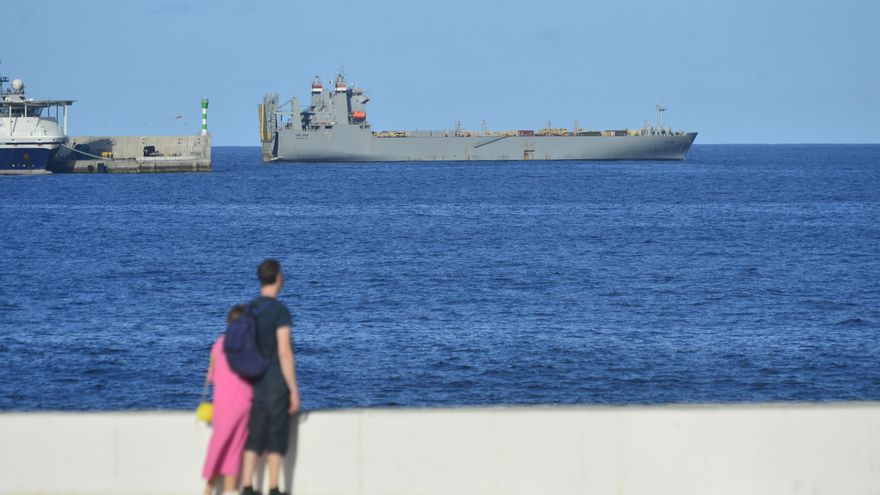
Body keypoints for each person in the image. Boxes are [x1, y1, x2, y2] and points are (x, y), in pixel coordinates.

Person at [240, 259, 301, 495]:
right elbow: (284, 352)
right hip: (275, 381)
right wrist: (294, 389)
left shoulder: (249, 309)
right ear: (278, 278)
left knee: (254, 434)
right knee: (276, 434)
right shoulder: (279, 311)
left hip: (252, 381)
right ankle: (274, 487)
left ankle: (247, 486)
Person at [202, 305, 252, 495]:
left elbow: (212, 377)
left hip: (222, 403)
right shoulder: (249, 346)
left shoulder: (219, 344)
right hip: (243, 403)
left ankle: (209, 486)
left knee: (219, 444)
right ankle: (229, 489)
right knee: (235, 448)